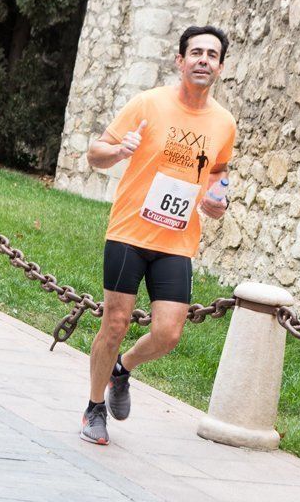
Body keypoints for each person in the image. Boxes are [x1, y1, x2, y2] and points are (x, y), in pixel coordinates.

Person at [81, 25, 237, 445]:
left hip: (177, 240)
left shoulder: (223, 122)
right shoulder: (147, 103)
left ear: (221, 67)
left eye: (212, 54)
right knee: (114, 323)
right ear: (180, 61)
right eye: (196, 52)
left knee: (169, 333)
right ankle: (94, 408)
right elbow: (96, 153)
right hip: (130, 232)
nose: (203, 59)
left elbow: (218, 171)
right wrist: (118, 151)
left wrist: (218, 198)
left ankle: (122, 369)